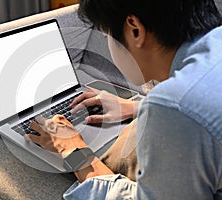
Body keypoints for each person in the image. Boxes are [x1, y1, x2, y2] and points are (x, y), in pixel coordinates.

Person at [27, 0, 222, 199]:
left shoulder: (174, 107)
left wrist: (71, 149)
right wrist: (137, 107)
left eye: (107, 36)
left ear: (134, 30)